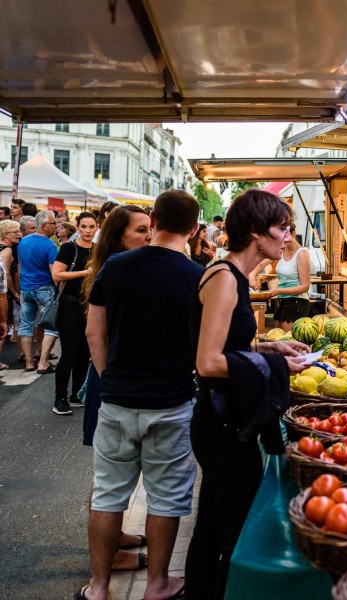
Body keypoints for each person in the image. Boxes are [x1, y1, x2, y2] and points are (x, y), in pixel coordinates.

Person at [186, 189, 315, 599]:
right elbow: (207, 361)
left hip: (222, 420)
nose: (288, 237)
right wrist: (273, 366)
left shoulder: (231, 276)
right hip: (222, 425)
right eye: (282, 227)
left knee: (211, 523)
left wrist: (269, 348)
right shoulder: (225, 279)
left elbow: (226, 347)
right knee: (234, 532)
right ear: (258, 233)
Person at [80, 191, 202, 600]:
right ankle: (157, 585)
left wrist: (108, 377)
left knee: (108, 493)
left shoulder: (114, 266)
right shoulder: (196, 275)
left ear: (153, 219)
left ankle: (98, 587)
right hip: (171, 401)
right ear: (195, 229)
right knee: (166, 498)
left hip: (116, 399)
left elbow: (93, 331)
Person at [79, 205, 153, 574]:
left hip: (111, 381)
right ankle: (110, 557)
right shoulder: (113, 268)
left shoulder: (120, 266)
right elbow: (96, 334)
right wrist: (109, 381)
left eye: (150, 229)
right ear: (119, 235)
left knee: (113, 473)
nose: (149, 236)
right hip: (109, 383)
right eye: (141, 230)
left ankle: (118, 535)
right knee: (108, 476)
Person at [51, 212, 96, 416]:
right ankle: (60, 398)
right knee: (69, 352)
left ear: (96, 228)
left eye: (91, 227)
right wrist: (86, 273)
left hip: (90, 306)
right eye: (84, 226)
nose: (87, 231)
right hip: (69, 305)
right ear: (77, 227)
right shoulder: (70, 247)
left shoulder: (98, 249)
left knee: (84, 353)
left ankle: (76, 395)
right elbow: (57, 274)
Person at [17, 210, 59, 375]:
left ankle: (29, 362)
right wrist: (58, 290)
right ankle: (43, 362)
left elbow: (20, 266)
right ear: (44, 226)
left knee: (26, 325)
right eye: (53, 223)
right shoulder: (50, 245)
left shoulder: (24, 241)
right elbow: (54, 273)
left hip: (26, 288)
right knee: (50, 325)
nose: (56, 226)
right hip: (44, 288)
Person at [251, 223, 312, 330]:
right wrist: (252, 276)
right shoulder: (281, 250)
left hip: (297, 303)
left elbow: (305, 286)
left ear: (293, 234)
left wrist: (279, 291)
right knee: (278, 338)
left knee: (287, 341)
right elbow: (260, 263)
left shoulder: (301, 254)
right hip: (282, 301)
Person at [0, 219, 22, 370]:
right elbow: (6, 274)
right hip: (4, 292)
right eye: (16, 232)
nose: (19, 235)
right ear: (5, 234)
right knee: (3, 327)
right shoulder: (7, 250)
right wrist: (14, 293)